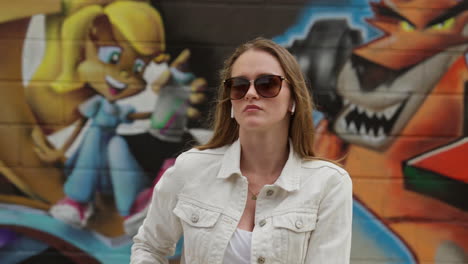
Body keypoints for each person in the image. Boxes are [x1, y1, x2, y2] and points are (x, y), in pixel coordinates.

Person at [131, 37, 353, 264]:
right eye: (238, 85)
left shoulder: (327, 183)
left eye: (267, 84)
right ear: (230, 101)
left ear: (293, 100)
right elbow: (149, 247)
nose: (251, 93)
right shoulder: (191, 168)